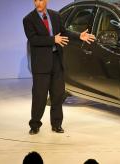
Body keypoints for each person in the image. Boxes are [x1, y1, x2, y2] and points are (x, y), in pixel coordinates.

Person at [23, 0, 95, 135]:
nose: (38, 3)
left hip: (56, 60)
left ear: (46, 1)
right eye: (36, 0)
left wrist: (79, 35)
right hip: (41, 64)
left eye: (41, 0)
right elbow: (33, 39)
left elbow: (64, 32)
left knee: (57, 95)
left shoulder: (55, 15)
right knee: (40, 96)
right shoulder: (28, 19)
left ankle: (56, 124)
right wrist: (52, 40)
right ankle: (35, 124)